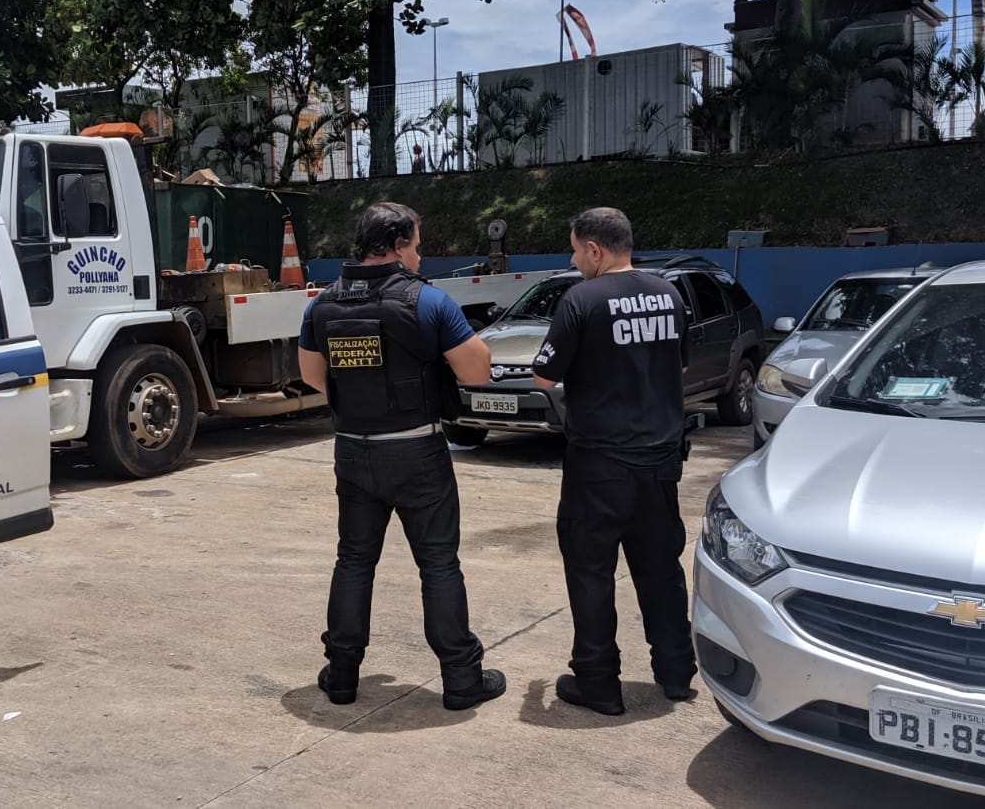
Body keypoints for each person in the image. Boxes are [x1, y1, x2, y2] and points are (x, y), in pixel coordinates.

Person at [298, 202, 506, 711]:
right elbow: (477, 371)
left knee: (354, 561)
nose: (419, 254)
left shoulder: (320, 305)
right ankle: (461, 680)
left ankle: (342, 675)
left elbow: (311, 376)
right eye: (415, 244)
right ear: (394, 246)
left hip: (353, 451)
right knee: (438, 564)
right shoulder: (428, 302)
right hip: (417, 451)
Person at [531, 207, 697, 716]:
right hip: (660, 461)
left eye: (576, 249)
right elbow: (679, 361)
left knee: (590, 572)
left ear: (595, 250)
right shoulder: (669, 294)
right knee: (660, 569)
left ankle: (598, 683)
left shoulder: (581, 299)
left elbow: (543, 376)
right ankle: (676, 673)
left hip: (599, 466)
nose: (573, 258)